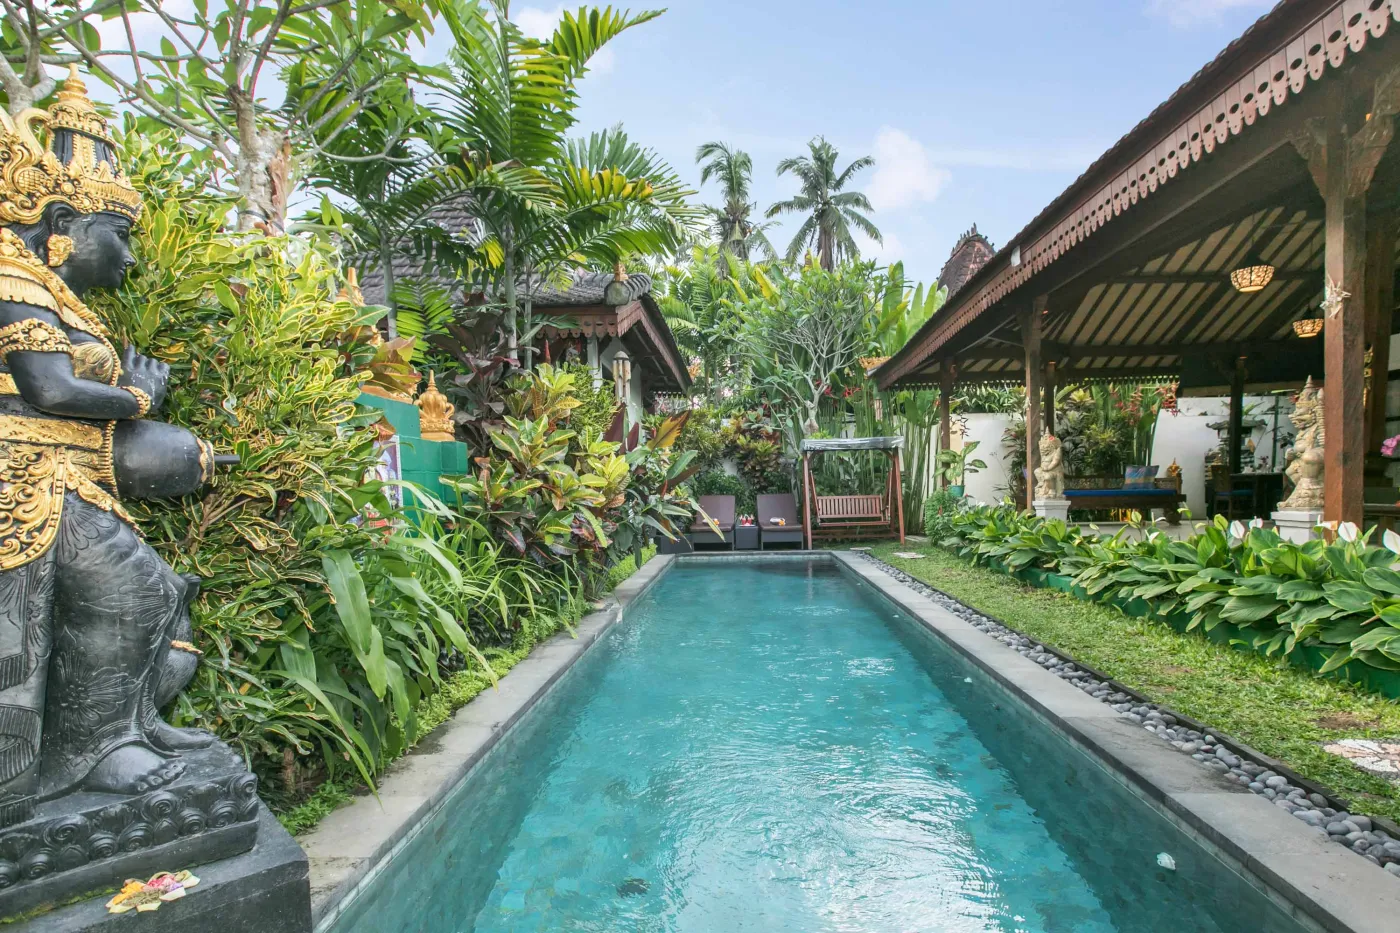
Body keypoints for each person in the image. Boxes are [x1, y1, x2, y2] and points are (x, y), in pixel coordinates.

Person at [0, 67, 218, 827]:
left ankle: (114, 737)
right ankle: (74, 763)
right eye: (118, 236)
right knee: (120, 598)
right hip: (22, 479)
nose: (128, 260)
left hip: (60, 477)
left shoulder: (49, 290)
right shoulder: (11, 275)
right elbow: (50, 390)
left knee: (151, 594)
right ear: (63, 222)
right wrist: (135, 399)